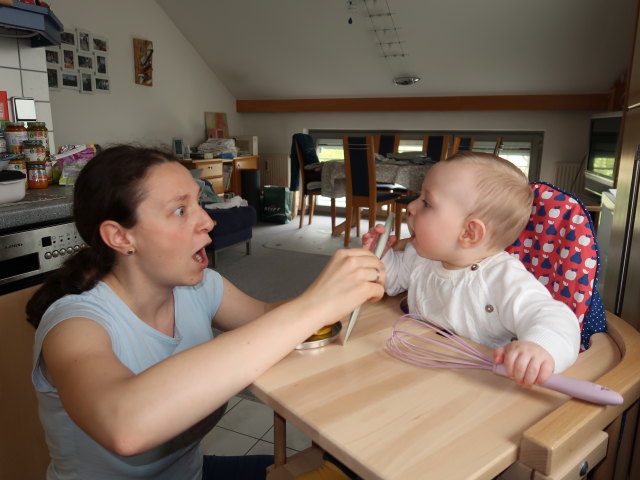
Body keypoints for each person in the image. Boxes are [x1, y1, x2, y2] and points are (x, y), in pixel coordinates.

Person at [27, 145, 386, 480]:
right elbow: (125, 425)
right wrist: (314, 306)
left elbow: (269, 321)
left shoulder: (201, 287)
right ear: (121, 238)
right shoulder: (73, 325)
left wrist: (340, 292)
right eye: (181, 210)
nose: (208, 222)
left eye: (199, 203)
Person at [363, 151, 581, 388]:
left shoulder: (503, 278)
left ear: (469, 233)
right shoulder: (421, 256)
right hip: (422, 367)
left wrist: (538, 349)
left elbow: (556, 318)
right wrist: (382, 256)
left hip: (478, 385)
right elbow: (393, 281)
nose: (411, 207)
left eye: (426, 202)